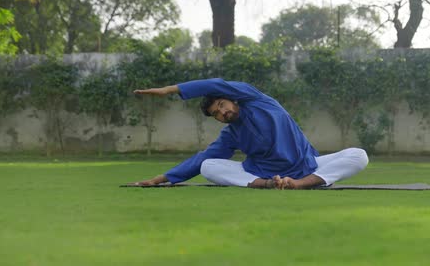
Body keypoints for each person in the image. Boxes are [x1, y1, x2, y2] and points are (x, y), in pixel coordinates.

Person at [131, 78, 369, 189]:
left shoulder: (257, 100)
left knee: (359, 155)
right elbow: (201, 160)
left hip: (306, 166)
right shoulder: (231, 135)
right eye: (216, 113)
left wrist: (170, 90)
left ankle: (300, 184)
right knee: (208, 166)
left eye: (222, 104)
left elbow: (215, 84)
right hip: (263, 174)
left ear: (233, 99)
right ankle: (266, 185)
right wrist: (160, 179)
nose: (222, 112)